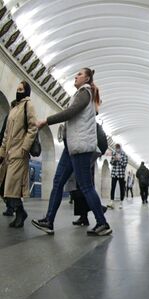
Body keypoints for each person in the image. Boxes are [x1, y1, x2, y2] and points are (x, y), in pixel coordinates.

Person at [32, 68, 112, 236]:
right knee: (57, 182)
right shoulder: (81, 93)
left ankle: (102, 223)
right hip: (71, 147)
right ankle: (49, 221)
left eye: (79, 74)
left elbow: (71, 112)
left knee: (85, 186)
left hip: (80, 147)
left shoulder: (85, 92)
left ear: (87, 78)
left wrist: (46, 121)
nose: (75, 76)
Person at [0, 82, 38, 227]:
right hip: (8, 153)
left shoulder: (29, 106)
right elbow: (6, 134)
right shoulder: (14, 108)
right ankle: (20, 212)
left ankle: (20, 213)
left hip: (19, 152)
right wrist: (2, 151)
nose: (18, 92)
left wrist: (25, 147)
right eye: (17, 89)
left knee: (12, 187)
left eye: (21, 90)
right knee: (4, 186)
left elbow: (33, 127)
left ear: (27, 91)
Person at [1, 99, 17, 217]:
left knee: (6, 183)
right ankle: (12, 207)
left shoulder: (10, 117)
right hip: (15, 155)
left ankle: (13, 207)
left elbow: (3, 135)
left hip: (9, 155)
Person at [108, 143, 127, 209]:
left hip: (121, 174)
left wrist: (119, 159)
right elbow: (111, 163)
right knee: (112, 187)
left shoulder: (124, 154)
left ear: (120, 148)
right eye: (116, 148)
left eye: (118, 148)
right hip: (114, 173)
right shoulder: (114, 153)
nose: (117, 149)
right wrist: (114, 160)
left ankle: (121, 202)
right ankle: (111, 201)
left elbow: (124, 164)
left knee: (122, 188)